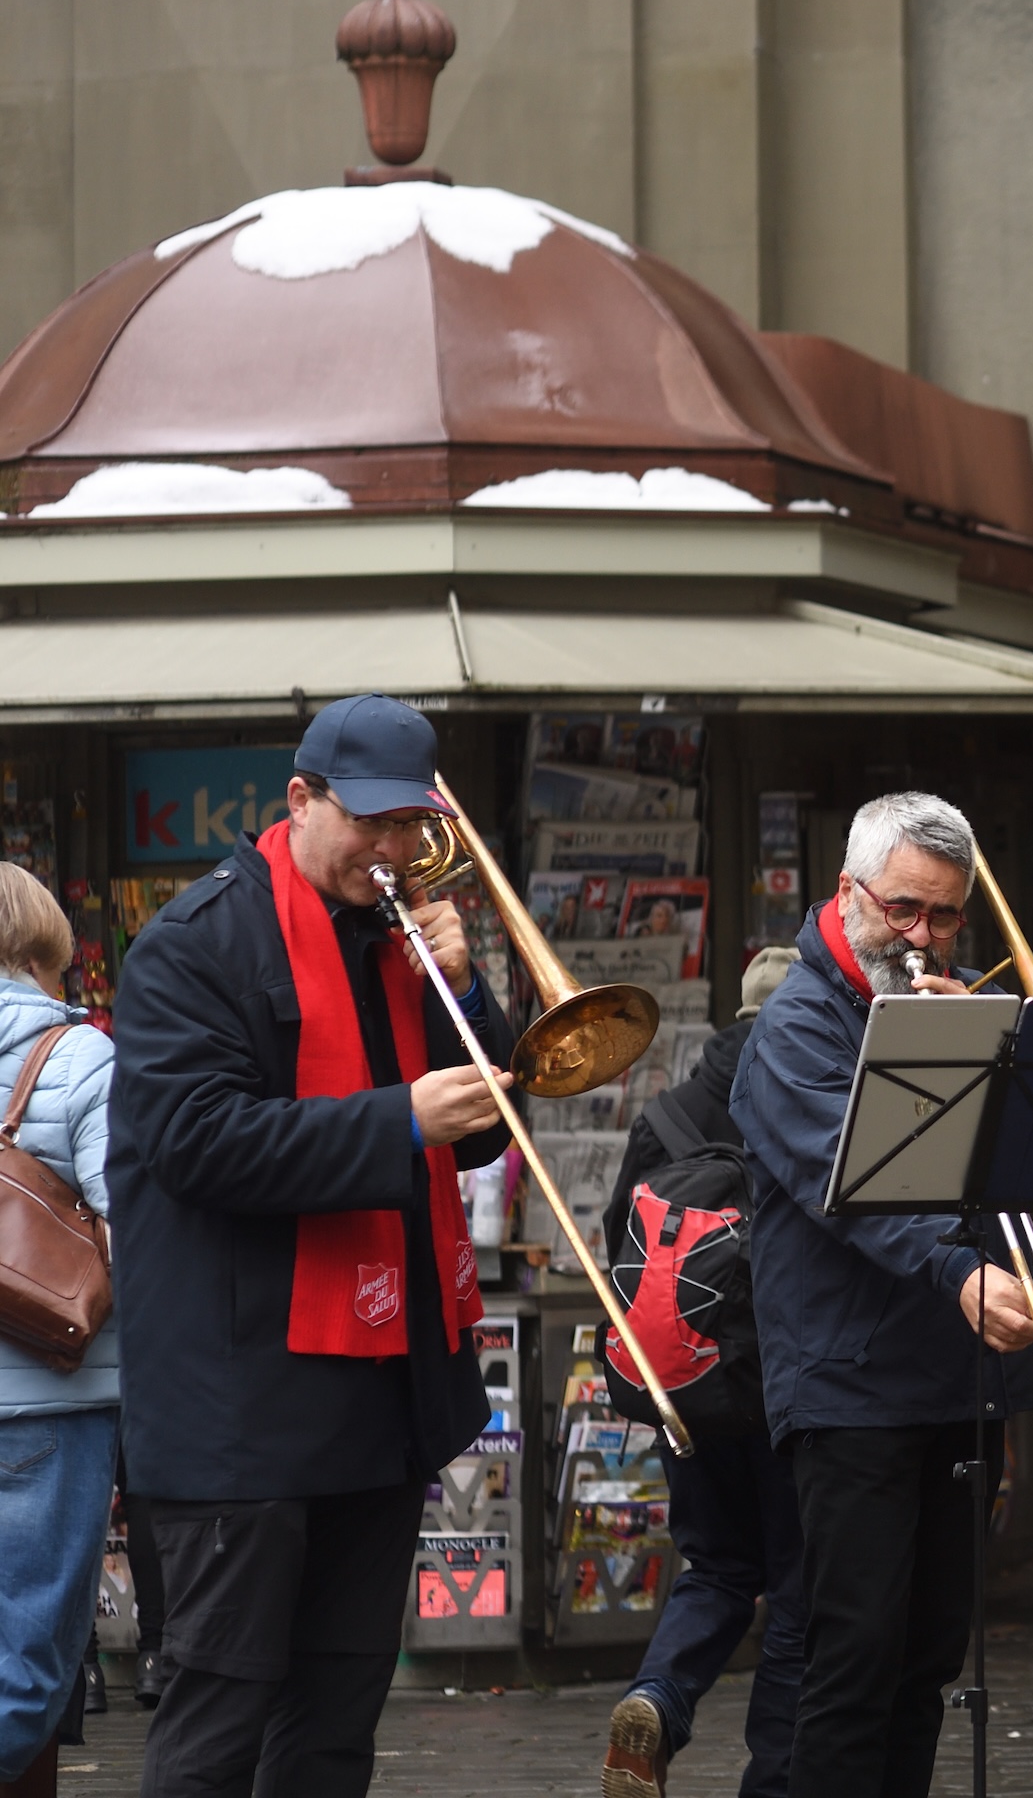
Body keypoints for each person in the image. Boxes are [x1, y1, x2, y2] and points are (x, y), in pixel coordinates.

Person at [106, 694, 516, 1798]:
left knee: (336, 1724)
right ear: (300, 798)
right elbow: (194, 1144)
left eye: (408, 827)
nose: (389, 851)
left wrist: (464, 985)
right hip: (241, 1408)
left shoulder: (399, 937)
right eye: (369, 823)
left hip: (372, 1402)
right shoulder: (194, 944)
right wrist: (399, 1120)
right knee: (217, 1716)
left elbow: (485, 1125)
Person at [731, 795, 1033, 1798]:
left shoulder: (938, 998)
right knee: (854, 1657)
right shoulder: (793, 1025)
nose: (921, 937)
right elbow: (848, 1187)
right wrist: (957, 1271)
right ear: (847, 892)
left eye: (945, 916)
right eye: (903, 909)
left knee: (928, 1659)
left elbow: (1003, 1170)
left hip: (952, 1374)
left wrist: (990, 1064)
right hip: (847, 1380)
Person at [603, 945, 804, 1798]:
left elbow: (622, 1230)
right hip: (787, 1387)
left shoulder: (671, 1110)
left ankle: (657, 1693)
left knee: (717, 1565)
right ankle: (777, 1777)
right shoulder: (810, 1091)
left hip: (688, 1383)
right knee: (801, 1590)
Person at [0, 863, 119, 1798]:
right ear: (44, 953)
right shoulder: (81, 1059)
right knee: (32, 1660)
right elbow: (133, 1231)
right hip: (53, 1399)